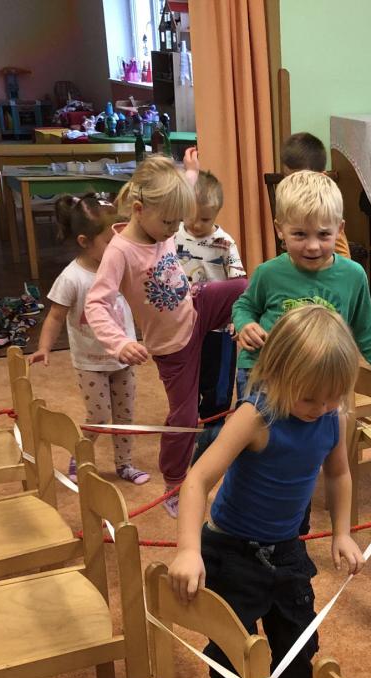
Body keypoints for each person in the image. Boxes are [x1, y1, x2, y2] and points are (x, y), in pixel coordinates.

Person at [167, 305, 365, 678]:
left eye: (332, 397)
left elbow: (338, 475)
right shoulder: (256, 416)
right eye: (310, 398)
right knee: (233, 649)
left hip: (286, 550)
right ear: (277, 375)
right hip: (231, 551)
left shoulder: (333, 418)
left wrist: (342, 532)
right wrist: (188, 550)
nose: (321, 409)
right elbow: (197, 480)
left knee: (299, 644)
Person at [83, 155, 248, 516]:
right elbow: (95, 304)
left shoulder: (162, 215)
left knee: (245, 287)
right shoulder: (120, 252)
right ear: (139, 210)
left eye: (178, 221)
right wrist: (120, 343)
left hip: (197, 306)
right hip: (173, 347)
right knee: (184, 418)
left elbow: (180, 192)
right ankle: (174, 483)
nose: (175, 230)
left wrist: (190, 172)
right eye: (169, 223)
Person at [232, 170, 371, 401]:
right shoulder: (268, 273)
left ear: (339, 229)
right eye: (299, 234)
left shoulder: (353, 276)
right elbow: (244, 306)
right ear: (280, 229)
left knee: (321, 424)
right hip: (264, 372)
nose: (312, 246)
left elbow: (366, 328)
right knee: (257, 425)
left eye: (323, 235)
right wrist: (245, 324)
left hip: (322, 378)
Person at [30, 194, 149, 484]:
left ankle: (124, 465)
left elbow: (137, 300)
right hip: (90, 362)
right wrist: (44, 347)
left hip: (123, 358)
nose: (117, 247)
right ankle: (80, 454)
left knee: (125, 416)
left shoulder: (121, 267)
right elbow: (55, 316)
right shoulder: (72, 277)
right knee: (99, 416)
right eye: (109, 242)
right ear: (84, 241)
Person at [173, 169, 245, 464]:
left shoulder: (224, 243)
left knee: (217, 382)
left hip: (218, 327)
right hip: (184, 325)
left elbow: (238, 283)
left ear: (216, 214)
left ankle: (213, 428)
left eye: (204, 219)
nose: (195, 224)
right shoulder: (174, 236)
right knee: (188, 377)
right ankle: (188, 426)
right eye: (190, 216)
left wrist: (236, 318)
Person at [280, 131, 351, 260]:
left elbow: (344, 260)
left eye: (301, 179)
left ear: (322, 176)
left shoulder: (325, 212)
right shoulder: (288, 202)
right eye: (287, 177)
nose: (292, 184)